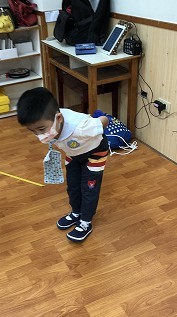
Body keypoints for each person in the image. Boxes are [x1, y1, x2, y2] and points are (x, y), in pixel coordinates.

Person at [17, 87, 109, 242]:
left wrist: (101, 117)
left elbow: (104, 121)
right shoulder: (51, 124)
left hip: (95, 153)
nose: (39, 135)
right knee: (73, 185)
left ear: (59, 118)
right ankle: (76, 212)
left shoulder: (82, 127)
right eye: (33, 131)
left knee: (89, 188)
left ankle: (86, 222)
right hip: (74, 153)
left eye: (41, 129)